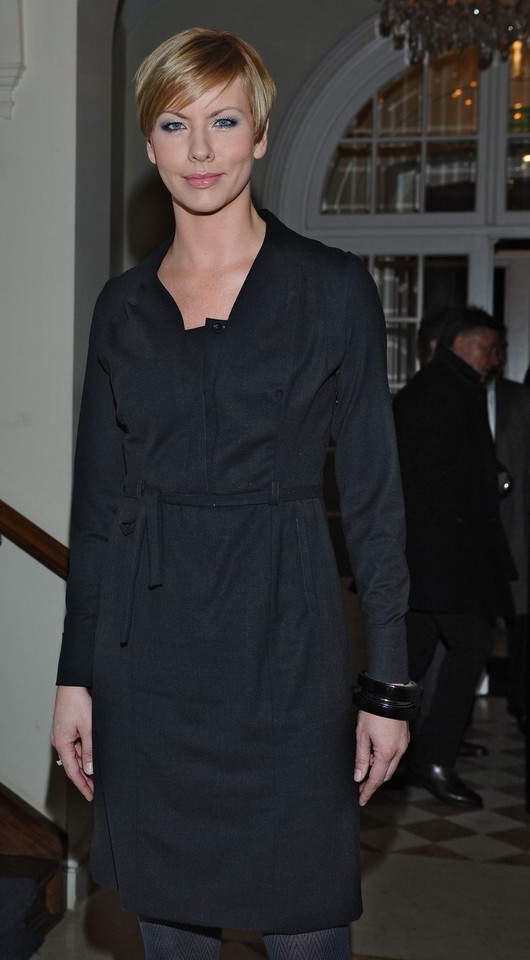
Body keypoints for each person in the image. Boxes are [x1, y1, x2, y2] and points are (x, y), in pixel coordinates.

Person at [51, 28, 416, 960]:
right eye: (176, 125)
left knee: (305, 926)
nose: (201, 149)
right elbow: (95, 513)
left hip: (286, 650)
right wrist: (75, 676)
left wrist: (387, 685)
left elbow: (375, 502)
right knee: (171, 933)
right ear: (149, 143)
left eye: (224, 121)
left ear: (260, 134)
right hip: (147, 661)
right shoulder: (121, 307)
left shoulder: (331, 289)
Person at [393, 306, 516, 809]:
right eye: (488, 348)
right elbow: (440, 482)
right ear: (460, 343)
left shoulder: (442, 386)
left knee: (405, 659)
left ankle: (395, 754)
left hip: (429, 559)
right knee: (469, 648)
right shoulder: (443, 390)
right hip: (444, 559)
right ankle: (433, 757)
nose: (494, 359)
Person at [488, 333, 530, 732]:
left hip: (518, 530)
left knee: (521, 629)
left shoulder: (518, 397)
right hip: (476, 534)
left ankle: (520, 704)